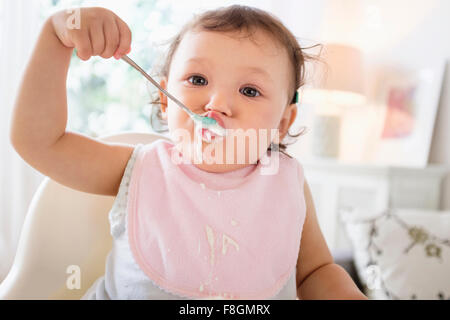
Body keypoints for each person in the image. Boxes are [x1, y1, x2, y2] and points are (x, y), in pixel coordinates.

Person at [9, 5, 367, 300]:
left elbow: (316, 273)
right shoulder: (138, 168)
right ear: (165, 99)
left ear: (282, 122)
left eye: (249, 90)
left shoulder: (287, 181)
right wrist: (56, 37)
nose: (217, 104)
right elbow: (41, 141)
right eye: (198, 80)